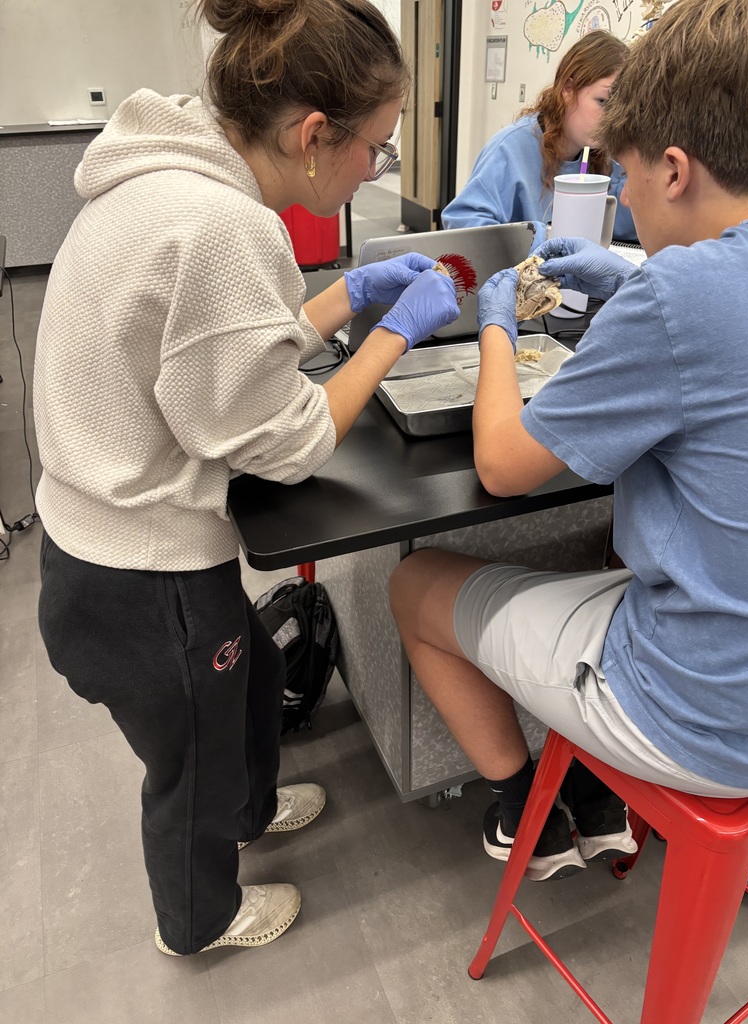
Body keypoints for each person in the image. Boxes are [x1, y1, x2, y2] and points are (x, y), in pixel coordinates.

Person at [34, 0, 459, 957]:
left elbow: (216, 363)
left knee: (256, 671)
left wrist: (348, 294)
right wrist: (394, 333)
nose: (376, 170)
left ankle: (252, 802)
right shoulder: (224, 228)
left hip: (97, 541)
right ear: (315, 137)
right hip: (137, 576)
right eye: (378, 150)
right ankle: (201, 919)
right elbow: (288, 438)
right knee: (186, 761)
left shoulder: (166, 176)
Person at [390, 0, 748, 884]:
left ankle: (527, 807)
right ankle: (599, 793)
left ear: (673, 169)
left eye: (626, 176)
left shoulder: (679, 297)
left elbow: (502, 466)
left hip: (704, 714)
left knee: (413, 585)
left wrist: (494, 326)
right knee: (611, 545)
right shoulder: (680, 280)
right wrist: (634, 277)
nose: (620, 196)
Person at [441, 29, 637, 242]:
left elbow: (628, 225)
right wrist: (547, 238)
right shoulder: (512, 148)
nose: (611, 118)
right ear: (568, 89)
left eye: (619, 107)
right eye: (603, 102)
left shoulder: (607, 157)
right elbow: (461, 222)